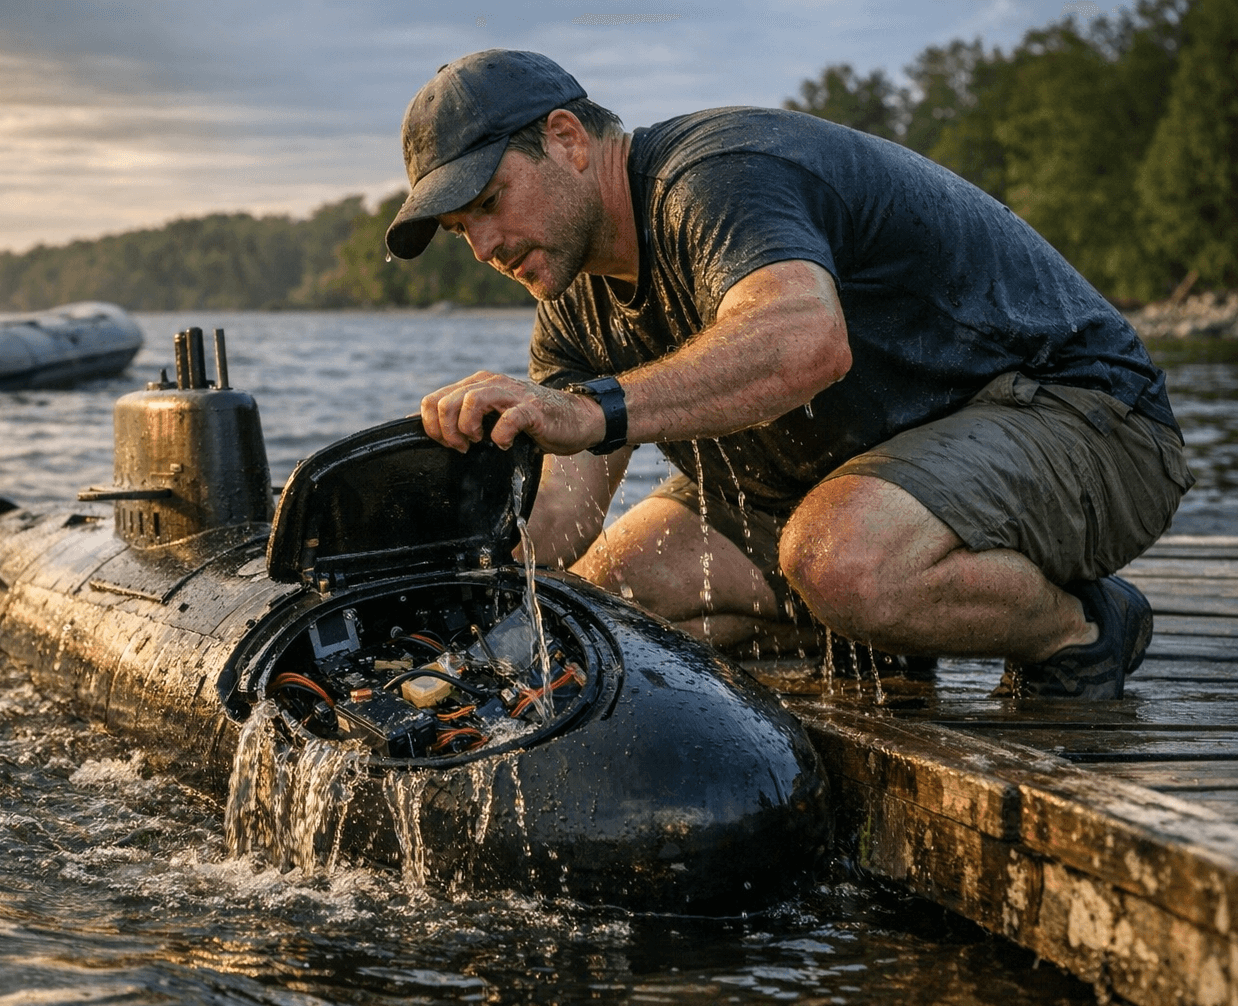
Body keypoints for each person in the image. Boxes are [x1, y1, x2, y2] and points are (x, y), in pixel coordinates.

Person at [385, 49, 1192, 699]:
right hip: (841, 484)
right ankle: (881, 627)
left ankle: (1081, 628)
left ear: (567, 139)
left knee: (840, 559)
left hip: (1085, 418)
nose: (483, 246)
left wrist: (592, 410)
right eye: (460, 229)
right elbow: (564, 519)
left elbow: (805, 342)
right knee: (606, 601)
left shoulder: (714, 175)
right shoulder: (571, 302)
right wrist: (428, 573)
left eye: (489, 201)